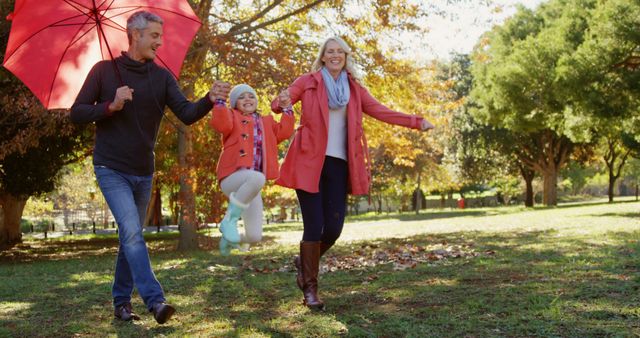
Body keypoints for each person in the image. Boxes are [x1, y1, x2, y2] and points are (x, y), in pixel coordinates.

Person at [70, 11, 227, 324]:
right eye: (154, 35)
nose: (160, 41)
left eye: (160, 35)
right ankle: (155, 302)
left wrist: (209, 99)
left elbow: (186, 112)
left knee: (131, 238)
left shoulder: (161, 77)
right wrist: (110, 106)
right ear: (135, 35)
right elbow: (76, 113)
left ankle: (120, 303)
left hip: (143, 171)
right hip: (110, 167)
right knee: (131, 233)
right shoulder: (104, 72)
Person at [271, 36, 435, 310]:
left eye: (340, 52)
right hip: (308, 162)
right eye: (330, 52)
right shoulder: (308, 81)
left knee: (333, 229)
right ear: (322, 57)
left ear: (345, 57)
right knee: (313, 225)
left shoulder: (355, 90)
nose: (335, 55)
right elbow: (280, 104)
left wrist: (416, 122)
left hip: (339, 164)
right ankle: (310, 289)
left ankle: (304, 261)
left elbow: (382, 112)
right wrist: (282, 100)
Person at [210, 83, 295, 255]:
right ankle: (230, 220)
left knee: (254, 236)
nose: (247, 99)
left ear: (256, 100)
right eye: (241, 97)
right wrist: (219, 102)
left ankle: (230, 238)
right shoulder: (231, 116)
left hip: (252, 185)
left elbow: (285, 132)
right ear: (234, 104)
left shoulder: (267, 122)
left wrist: (287, 109)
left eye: (250, 96)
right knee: (257, 177)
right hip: (231, 178)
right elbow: (220, 124)